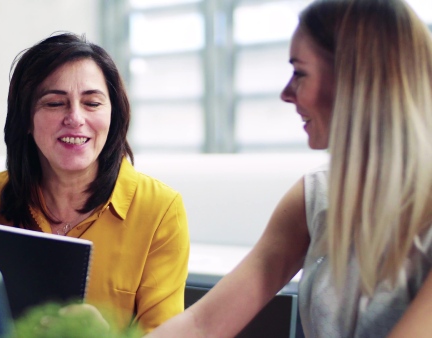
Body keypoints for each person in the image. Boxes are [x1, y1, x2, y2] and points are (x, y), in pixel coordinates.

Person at [147, 0, 432, 337]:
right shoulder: (316, 197)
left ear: (356, 80)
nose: (285, 94)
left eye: (299, 73)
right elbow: (202, 324)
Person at [0, 32, 190, 333]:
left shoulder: (160, 210)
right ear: (25, 119)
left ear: (113, 115)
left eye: (92, 103)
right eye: (54, 103)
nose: (75, 118)